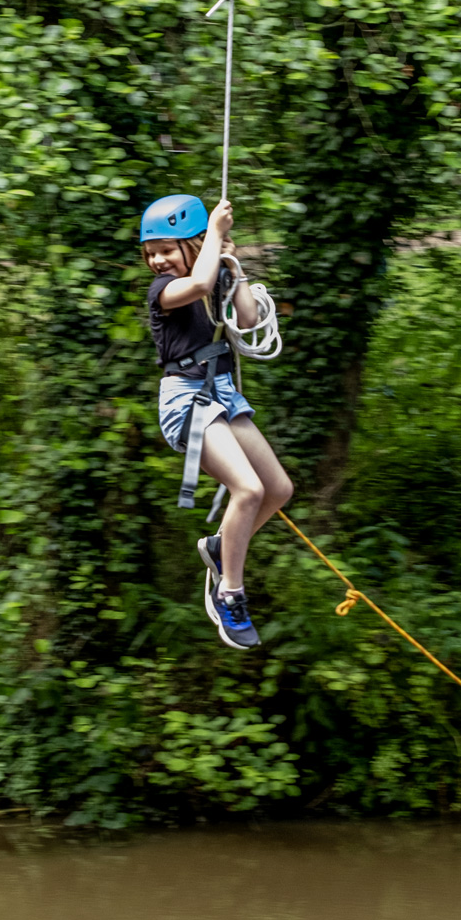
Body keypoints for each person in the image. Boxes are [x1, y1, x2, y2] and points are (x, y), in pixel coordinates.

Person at [142, 194, 295, 650]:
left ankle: (218, 546)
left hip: (222, 394)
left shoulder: (217, 270)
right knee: (247, 489)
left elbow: (247, 318)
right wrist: (212, 236)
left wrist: (233, 262)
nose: (157, 261)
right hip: (186, 400)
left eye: (167, 250)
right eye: (151, 253)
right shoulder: (164, 291)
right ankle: (230, 593)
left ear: (190, 244)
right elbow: (199, 284)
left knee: (279, 490)